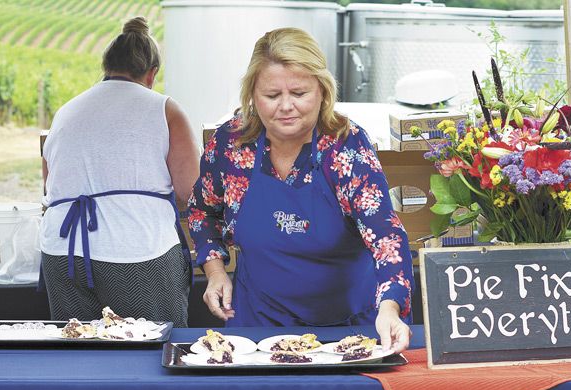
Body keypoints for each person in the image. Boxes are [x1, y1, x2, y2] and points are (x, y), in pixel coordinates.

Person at [187, 28, 413, 352]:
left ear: (322, 90)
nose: (286, 106)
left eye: (299, 93)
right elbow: (202, 210)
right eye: (272, 95)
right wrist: (214, 270)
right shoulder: (232, 144)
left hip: (347, 332)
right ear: (252, 94)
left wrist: (390, 307)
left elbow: (385, 234)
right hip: (256, 328)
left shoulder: (346, 148)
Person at [40, 16, 199, 327]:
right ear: (152, 73)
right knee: (154, 350)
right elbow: (190, 191)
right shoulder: (164, 109)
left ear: (106, 66)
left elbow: (50, 188)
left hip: (62, 251)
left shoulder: (67, 110)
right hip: (136, 248)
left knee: (81, 352)